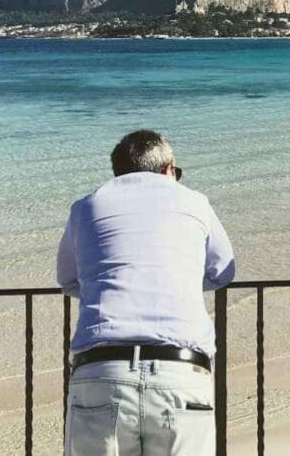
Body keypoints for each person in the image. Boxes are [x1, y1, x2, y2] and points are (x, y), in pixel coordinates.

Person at [57, 129, 235, 456]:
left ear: (118, 171)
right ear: (169, 169)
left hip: (100, 372)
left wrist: (111, 284)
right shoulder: (195, 202)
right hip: (181, 372)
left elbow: (68, 279)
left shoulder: (86, 207)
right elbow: (223, 271)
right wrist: (178, 280)